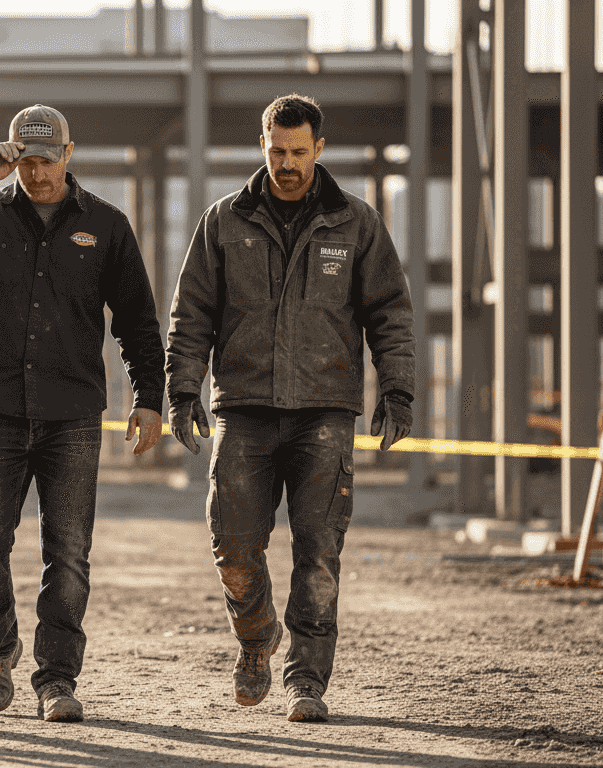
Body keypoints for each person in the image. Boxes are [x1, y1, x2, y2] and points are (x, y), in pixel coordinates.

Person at [165, 94, 415, 722]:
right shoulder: (223, 222)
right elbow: (191, 313)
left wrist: (397, 389)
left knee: (320, 552)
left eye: (299, 152)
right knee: (234, 545)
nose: (287, 164)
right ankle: (257, 640)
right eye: (277, 151)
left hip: (326, 413)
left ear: (319, 150)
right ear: (263, 145)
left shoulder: (356, 225)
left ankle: (307, 681)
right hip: (243, 410)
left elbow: (390, 313)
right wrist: (182, 387)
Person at [0, 104, 166, 723]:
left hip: (72, 413)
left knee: (69, 552)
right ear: (12, 157)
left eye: (47, 160)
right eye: (25, 162)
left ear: (69, 154)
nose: (36, 173)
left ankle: (56, 680)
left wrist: (150, 397)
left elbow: (136, 319)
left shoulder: (105, 225)